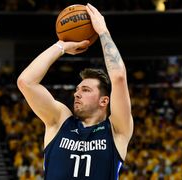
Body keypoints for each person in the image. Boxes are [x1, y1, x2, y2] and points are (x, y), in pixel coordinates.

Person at [17, 3, 133, 179]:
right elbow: (26, 82)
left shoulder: (116, 130)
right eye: (78, 89)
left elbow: (118, 77)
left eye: (86, 90)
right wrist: (61, 46)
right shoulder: (59, 121)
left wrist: (103, 32)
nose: (76, 93)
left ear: (104, 101)